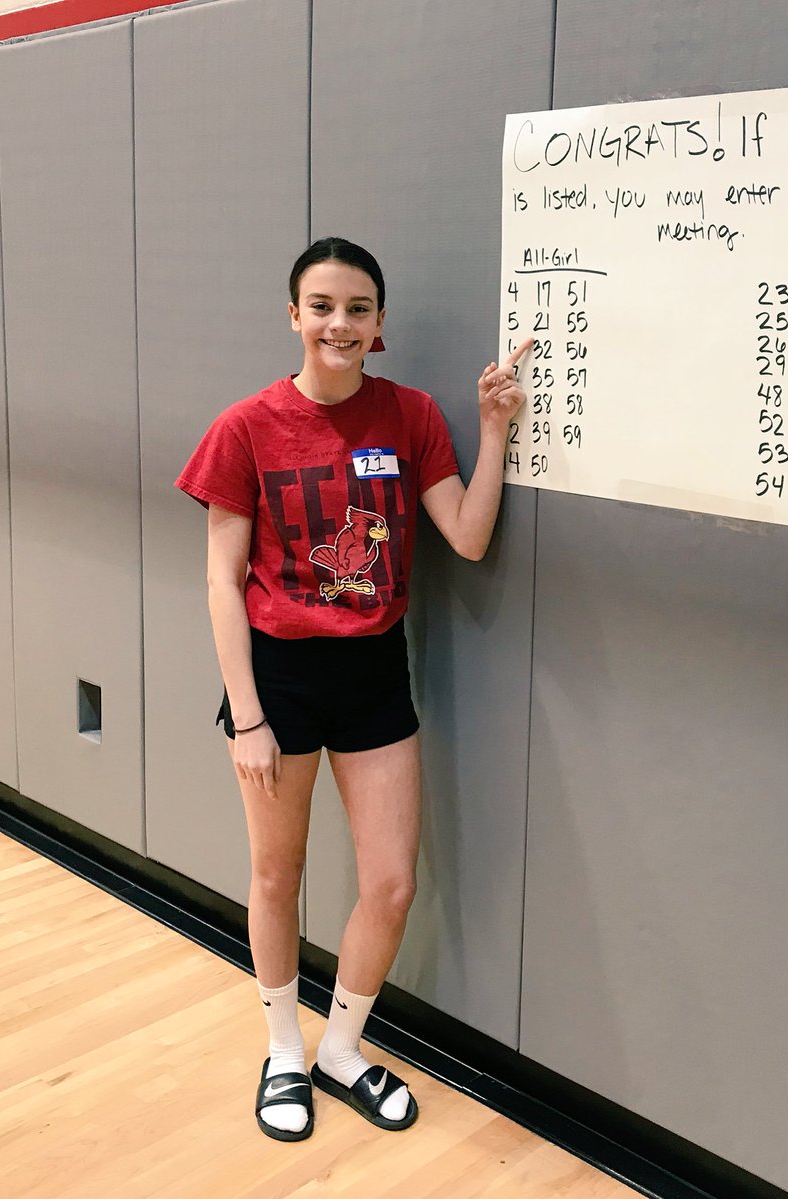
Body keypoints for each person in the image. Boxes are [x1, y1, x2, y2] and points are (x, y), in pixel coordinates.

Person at [176, 236, 531, 1141]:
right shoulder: (245, 427)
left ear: (380, 325)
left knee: (393, 883)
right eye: (323, 306)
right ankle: (282, 1050)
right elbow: (221, 580)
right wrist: (247, 715)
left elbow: (469, 536)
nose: (340, 323)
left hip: (373, 669)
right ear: (294, 315)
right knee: (276, 874)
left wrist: (494, 430)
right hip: (278, 676)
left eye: (358, 309)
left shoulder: (410, 415)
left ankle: (340, 1048)